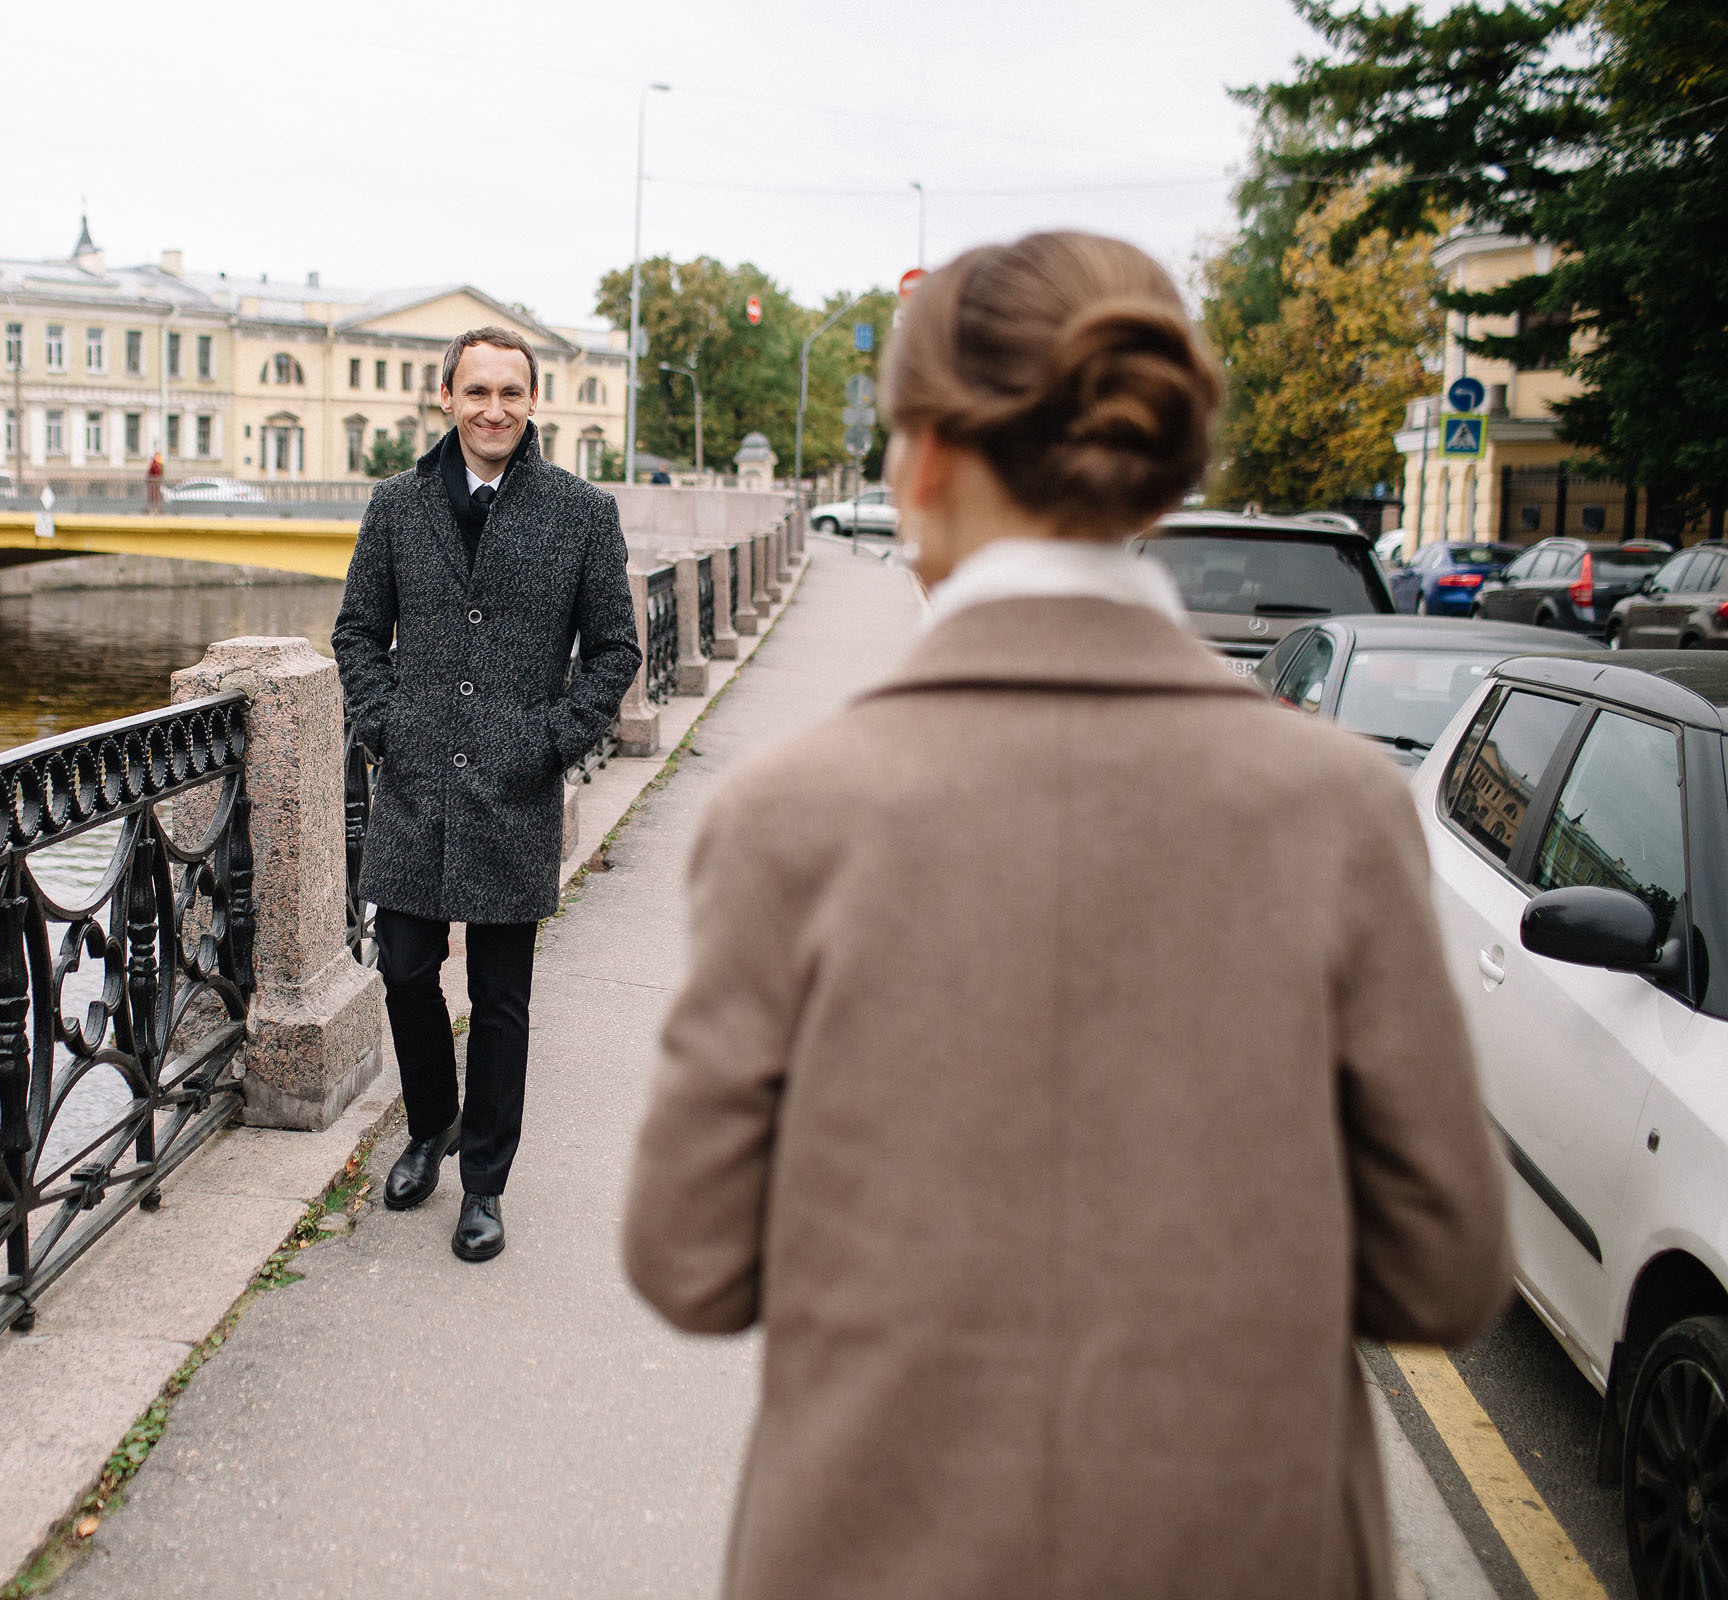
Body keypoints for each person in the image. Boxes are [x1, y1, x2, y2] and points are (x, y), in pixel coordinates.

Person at [621, 232, 1509, 1598]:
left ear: (915, 468)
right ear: (1157, 463)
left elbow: (688, 1259)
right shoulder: (1335, 807)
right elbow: (1445, 1271)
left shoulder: (792, 815)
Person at [335, 326, 640, 1262]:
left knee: (503, 1000)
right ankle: (431, 1124)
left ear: (533, 402)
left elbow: (616, 652)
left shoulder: (581, 513)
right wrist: (387, 727)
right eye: (477, 392)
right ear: (446, 399)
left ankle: (485, 1184)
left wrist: (547, 743)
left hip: (513, 794)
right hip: (417, 789)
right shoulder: (396, 505)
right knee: (405, 967)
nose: (494, 409)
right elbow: (356, 633)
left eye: (511, 392)